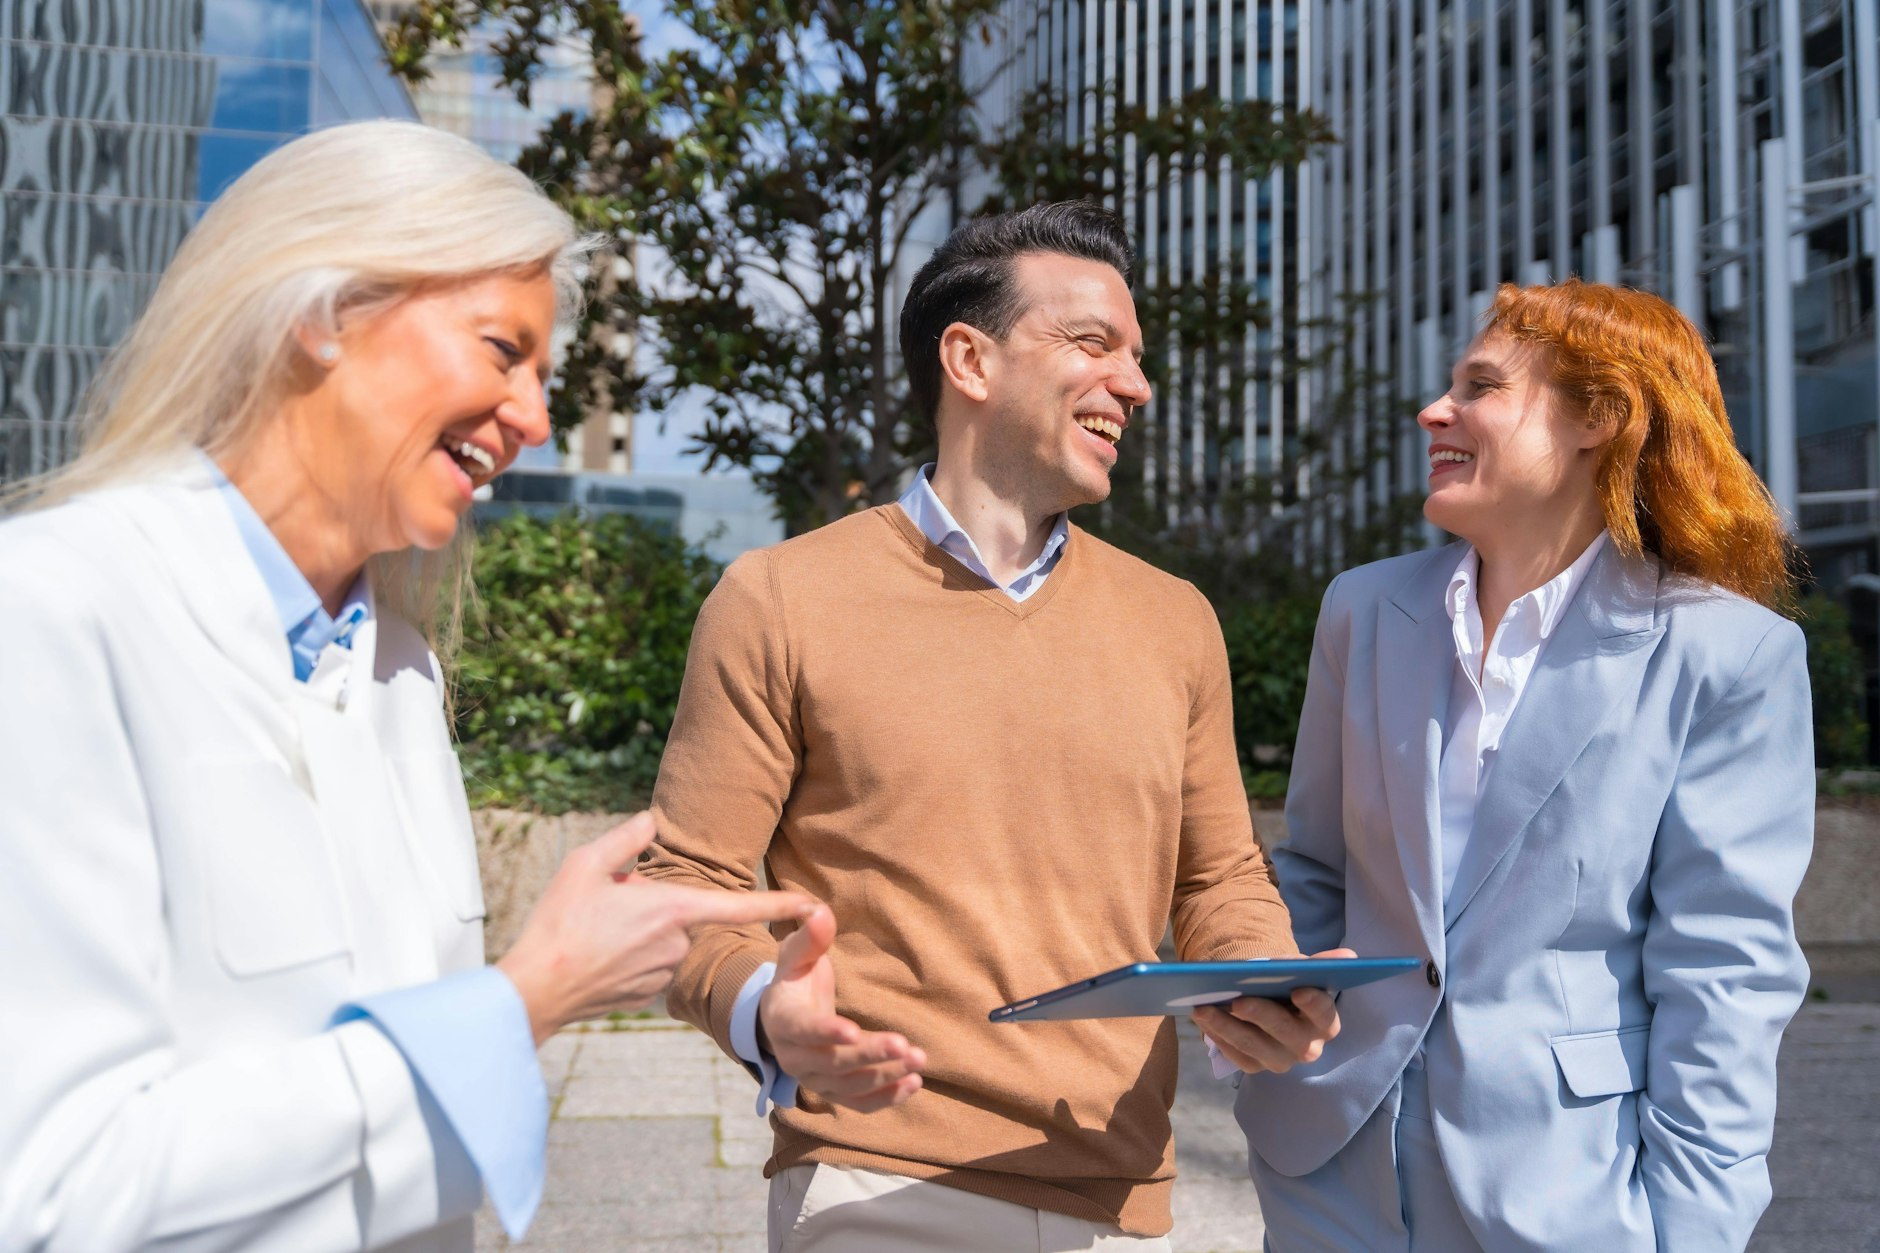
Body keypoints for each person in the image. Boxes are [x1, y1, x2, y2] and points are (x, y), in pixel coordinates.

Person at [0, 121, 810, 1252]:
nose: (531, 418)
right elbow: (51, 1193)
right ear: (328, 311)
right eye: (500, 349)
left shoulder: (396, 665)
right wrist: (525, 996)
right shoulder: (48, 614)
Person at [639, 201, 1342, 1253]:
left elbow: (1218, 880)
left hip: (1120, 1192)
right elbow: (681, 889)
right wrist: (766, 1010)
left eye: (1136, 356)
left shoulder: (1174, 620)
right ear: (968, 358)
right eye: (1093, 344)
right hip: (876, 1179)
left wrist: (1260, 978)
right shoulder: (779, 597)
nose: (1136, 386)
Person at [1237, 280, 1815, 1251]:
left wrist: (1689, 1230)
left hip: (1568, 1188)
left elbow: (1721, 973)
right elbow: (1315, 870)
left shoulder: (1725, 654)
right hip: (1330, 1171)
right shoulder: (1363, 610)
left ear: (1596, 416)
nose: (1434, 409)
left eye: (1479, 385)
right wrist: (1257, 996)